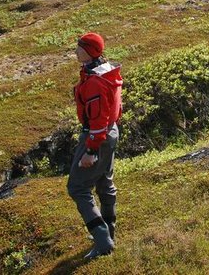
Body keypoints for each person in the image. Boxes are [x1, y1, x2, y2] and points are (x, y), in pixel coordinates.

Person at [67, 32, 123, 260]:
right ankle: (108, 231)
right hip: (110, 133)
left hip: (96, 137)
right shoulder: (105, 71)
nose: (76, 50)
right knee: (103, 183)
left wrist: (90, 150)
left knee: (77, 188)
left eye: (80, 47)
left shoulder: (95, 83)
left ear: (89, 52)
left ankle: (102, 241)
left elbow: (98, 119)